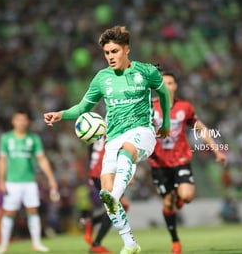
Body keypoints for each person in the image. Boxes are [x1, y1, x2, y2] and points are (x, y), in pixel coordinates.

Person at [44, 25, 171, 254]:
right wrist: (60, 114)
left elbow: (163, 93)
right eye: (107, 53)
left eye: (115, 51)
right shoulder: (102, 78)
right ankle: (130, 244)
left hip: (142, 132)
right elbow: (83, 107)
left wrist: (167, 125)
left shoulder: (146, 71)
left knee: (126, 152)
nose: (110, 57)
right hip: (113, 138)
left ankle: (113, 196)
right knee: (107, 194)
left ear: (127, 50)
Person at [147, 71, 227, 254]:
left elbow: (201, 129)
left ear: (175, 86)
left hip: (180, 159)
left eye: (170, 83)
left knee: (188, 196)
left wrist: (217, 151)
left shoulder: (185, 107)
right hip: (158, 162)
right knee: (167, 204)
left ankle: (180, 194)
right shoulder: (149, 107)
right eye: (162, 83)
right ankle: (175, 240)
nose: (166, 86)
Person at [0, 110, 58, 254]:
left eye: (24, 120)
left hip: (29, 181)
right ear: (13, 122)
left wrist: (51, 179)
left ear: (27, 122)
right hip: (12, 182)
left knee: (33, 210)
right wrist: (1, 181)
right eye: (18, 120)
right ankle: (3, 245)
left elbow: (42, 159)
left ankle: (36, 243)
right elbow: (2, 160)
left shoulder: (33, 139)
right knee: (9, 212)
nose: (21, 123)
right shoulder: (6, 138)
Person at [83, 135, 131, 254]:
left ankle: (92, 222)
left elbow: (91, 147)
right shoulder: (115, 126)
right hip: (105, 172)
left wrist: (90, 170)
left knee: (123, 205)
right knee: (114, 208)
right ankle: (96, 244)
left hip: (98, 171)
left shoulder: (99, 126)